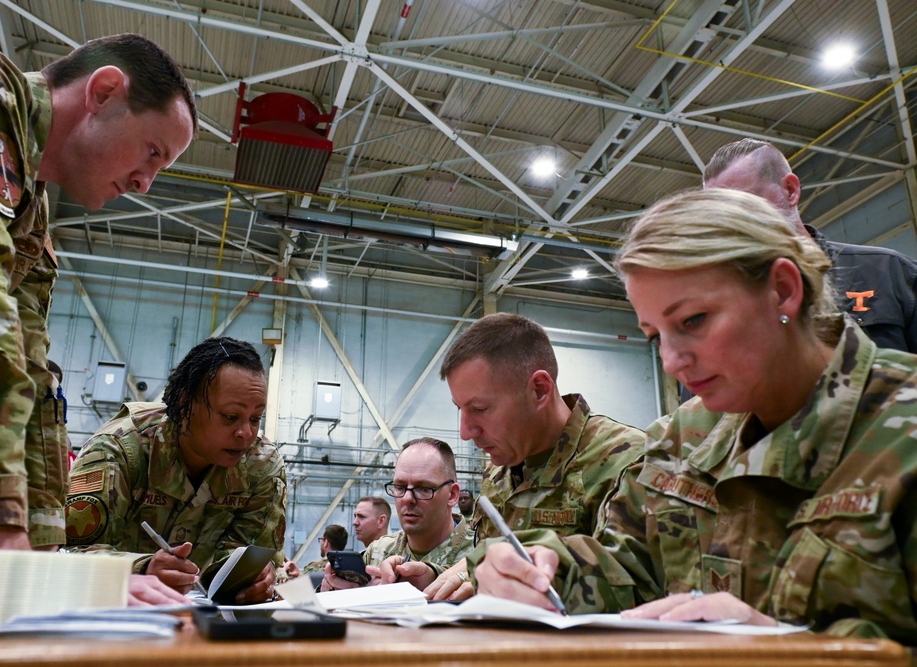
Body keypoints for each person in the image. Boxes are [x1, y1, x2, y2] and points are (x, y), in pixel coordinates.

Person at [472, 188, 917, 641]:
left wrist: (796, 648)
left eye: (693, 321)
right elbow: (631, 569)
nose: (671, 361)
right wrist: (543, 572)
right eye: (655, 336)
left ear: (782, 291)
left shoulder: (902, 427)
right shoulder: (684, 436)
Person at [0, 31, 197, 555]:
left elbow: (30, 377)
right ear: (104, 91)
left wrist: (44, 562)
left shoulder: (28, 217)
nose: (145, 185)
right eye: (152, 152)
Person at [425, 312, 645, 601]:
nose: (465, 431)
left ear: (539, 390)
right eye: (460, 409)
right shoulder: (500, 470)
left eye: (479, 409)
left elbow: (638, 589)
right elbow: (485, 560)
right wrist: (435, 574)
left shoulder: (629, 461)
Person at [65, 337, 287, 604]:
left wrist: (257, 578)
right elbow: (67, 553)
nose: (245, 433)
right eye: (230, 417)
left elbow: (252, 555)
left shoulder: (262, 466)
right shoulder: (119, 449)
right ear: (186, 404)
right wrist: (141, 569)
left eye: (255, 418)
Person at [704, 138, 917, 353]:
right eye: (724, 216)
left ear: (790, 190)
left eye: (746, 205)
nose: (736, 225)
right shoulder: (722, 311)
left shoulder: (889, 274)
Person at [323, 438, 472, 592]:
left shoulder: (481, 554)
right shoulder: (377, 552)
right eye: (400, 487)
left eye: (424, 488)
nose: (407, 498)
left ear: (452, 495)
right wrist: (330, 590)